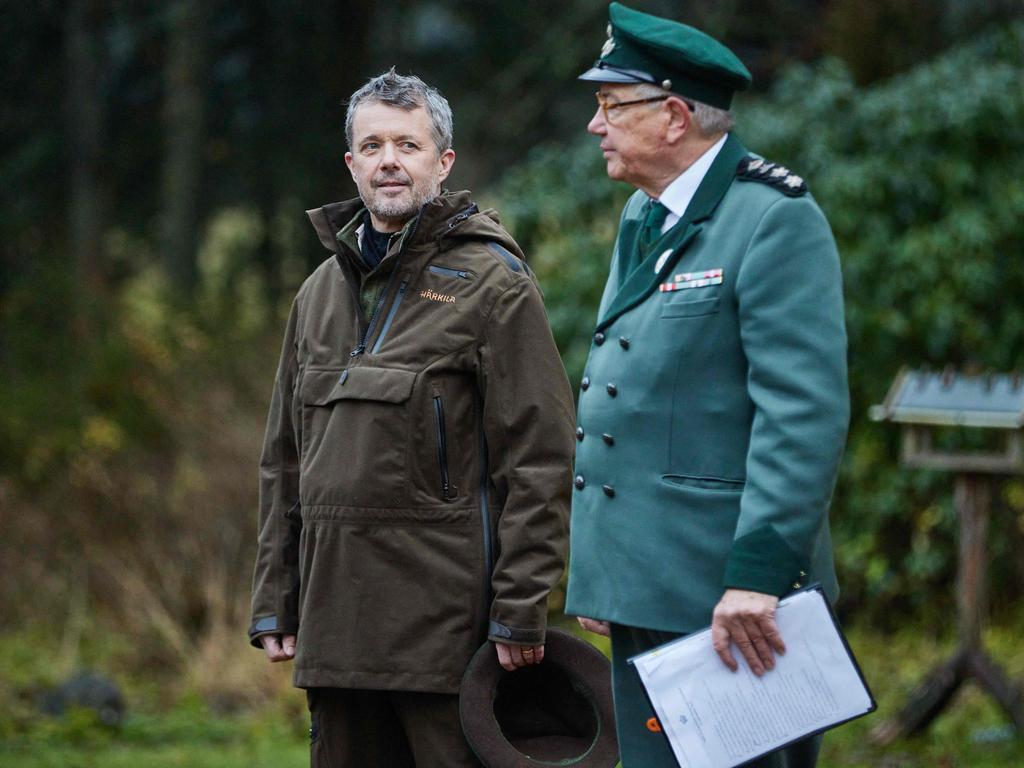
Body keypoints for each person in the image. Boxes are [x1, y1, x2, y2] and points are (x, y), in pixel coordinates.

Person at [249, 69, 575, 767]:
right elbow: (283, 458)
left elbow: (540, 456)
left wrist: (522, 607)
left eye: (408, 144)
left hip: (447, 635)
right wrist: (276, 597)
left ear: (443, 161)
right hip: (335, 628)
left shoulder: (494, 283)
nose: (388, 161)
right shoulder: (317, 292)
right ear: (351, 164)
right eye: (371, 146)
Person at [564, 4, 850, 767]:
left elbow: (802, 416)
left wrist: (756, 580)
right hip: (648, 591)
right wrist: (605, 573)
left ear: (674, 116)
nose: (596, 125)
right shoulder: (642, 215)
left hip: (731, 603)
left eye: (610, 104)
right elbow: (633, 392)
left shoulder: (771, 219)